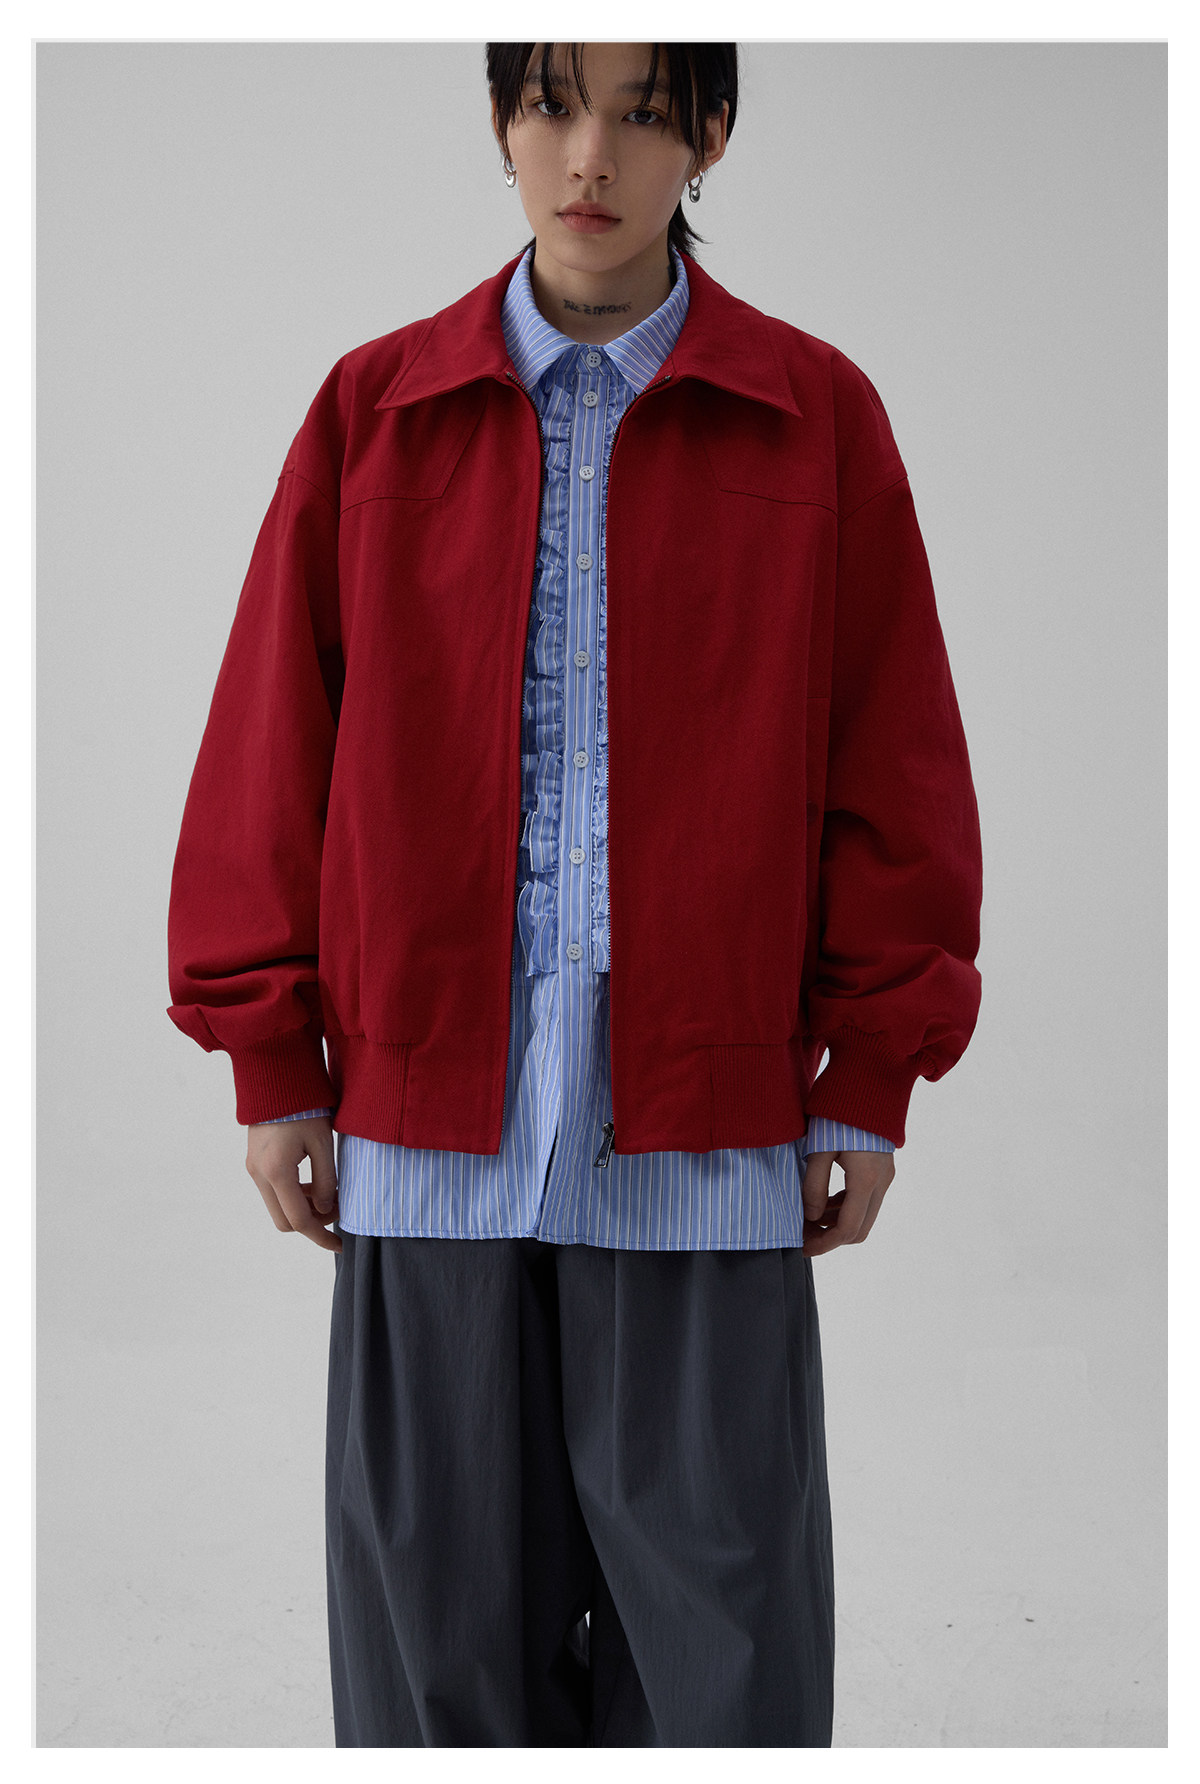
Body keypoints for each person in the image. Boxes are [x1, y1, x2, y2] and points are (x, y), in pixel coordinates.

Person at [166, 40, 983, 1748]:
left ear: (712, 137)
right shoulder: (377, 410)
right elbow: (270, 741)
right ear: (501, 122)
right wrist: (273, 1058)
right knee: (437, 1664)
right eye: (549, 106)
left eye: (641, 113)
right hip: (426, 1132)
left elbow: (892, 750)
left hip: (708, 1136)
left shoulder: (815, 415)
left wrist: (871, 1073)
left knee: (726, 1667)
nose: (589, 156)